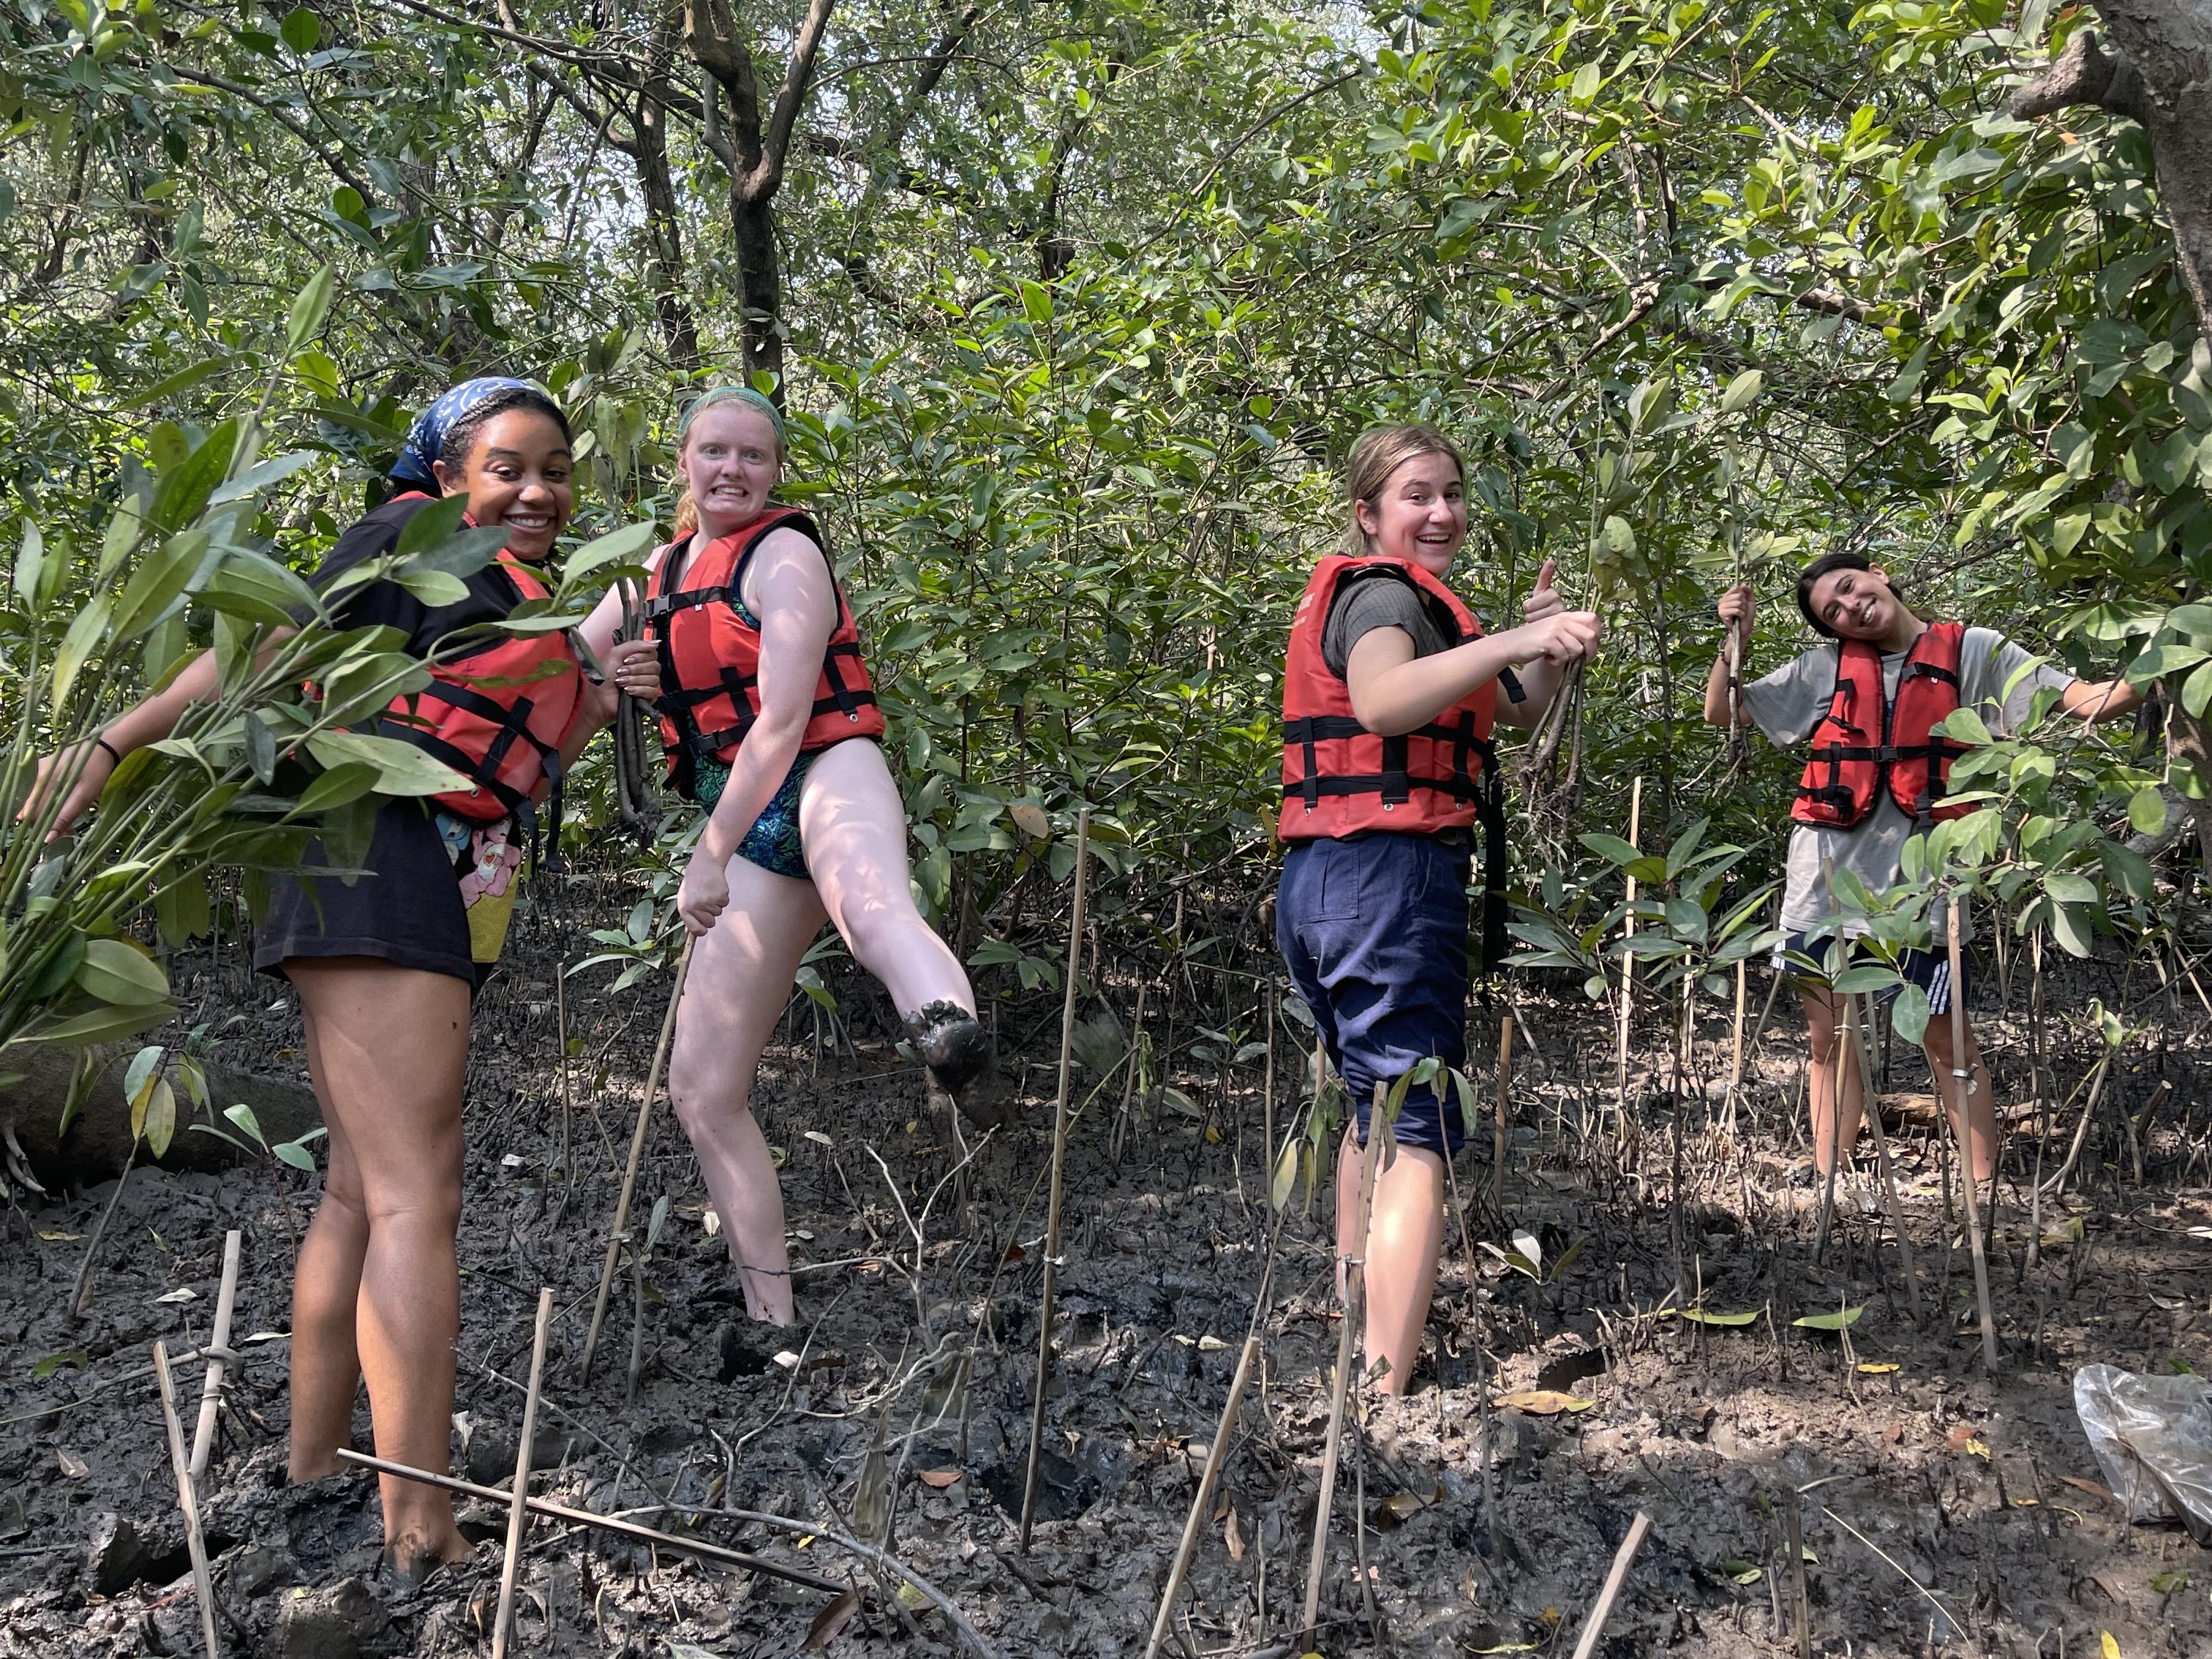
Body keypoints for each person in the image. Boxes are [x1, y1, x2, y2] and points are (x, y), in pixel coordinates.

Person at [28, 379, 615, 1581]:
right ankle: (421, 1524)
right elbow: (266, 650)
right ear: (448, 473)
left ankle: (316, 1466)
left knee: (359, 1193)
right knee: (414, 1199)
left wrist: (604, 690)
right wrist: (107, 741)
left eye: (555, 468)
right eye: (508, 464)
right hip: (368, 859)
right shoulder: (409, 537)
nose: (537, 490)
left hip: (378, 874)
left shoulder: (498, 597)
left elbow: (510, 762)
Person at [587, 384, 986, 1336]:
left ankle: (950, 1032)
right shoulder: (657, 571)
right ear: (682, 459)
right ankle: (773, 1321)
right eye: (714, 452)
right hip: (749, 821)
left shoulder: (787, 554)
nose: (732, 471)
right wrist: (623, 675)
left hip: (822, 772)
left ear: (775, 473)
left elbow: (782, 722)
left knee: (874, 909)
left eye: (753, 457)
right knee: (703, 1090)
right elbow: (574, 669)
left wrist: (710, 856)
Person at [1276, 423, 1602, 1396]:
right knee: (1415, 1117)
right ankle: (1381, 1386)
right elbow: (1380, 705)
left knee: (1372, 1105)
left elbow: (1516, 708)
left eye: (1453, 493)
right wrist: (1517, 635)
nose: (1444, 513)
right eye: (1419, 495)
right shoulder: (1380, 597)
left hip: (1332, 880)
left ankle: (1356, 1322)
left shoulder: (1430, 612)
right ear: (1367, 514)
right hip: (1381, 876)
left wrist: (1535, 642)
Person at [1704, 550, 2139, 1184]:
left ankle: (1982, 1189)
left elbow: (2084, 701)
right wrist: (1732, 639)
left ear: (1879, 574)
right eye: (1834, 612)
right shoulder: (1825, 667)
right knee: (1829, 1037)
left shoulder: (1972, 651)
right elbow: (1723, 712)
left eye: (1850, 588)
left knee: (1946, 1040)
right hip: (1824, 878)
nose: (1850, 607)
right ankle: (1831, 1181)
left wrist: (2170, 662)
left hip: (1926, 882)